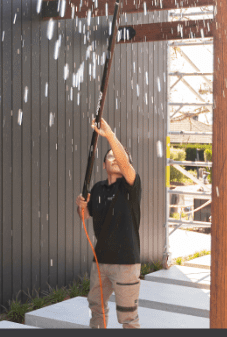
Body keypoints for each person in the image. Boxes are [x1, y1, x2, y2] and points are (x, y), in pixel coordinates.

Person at [75, 117, 142, 329]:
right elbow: (84, 216)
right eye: (109, 156)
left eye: (120, 157)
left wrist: (109, 135)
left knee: (128, 318)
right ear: (103, 165)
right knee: (96, 311)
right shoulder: (97, 188)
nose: (114, 158)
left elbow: (124, 162)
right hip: (100, 262)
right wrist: (80, 205)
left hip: (126, 264)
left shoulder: (130, 186)